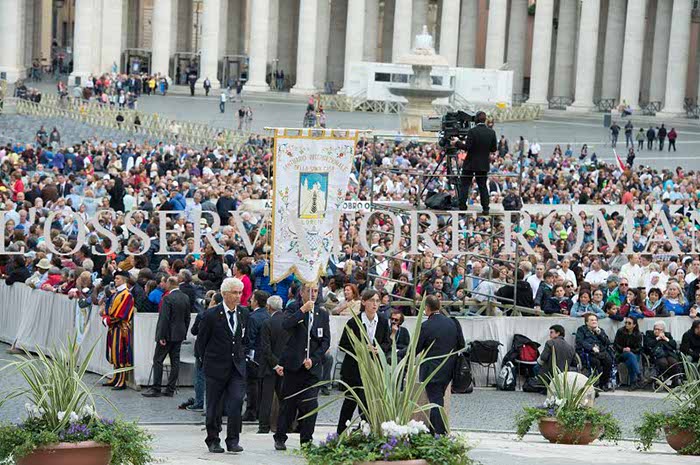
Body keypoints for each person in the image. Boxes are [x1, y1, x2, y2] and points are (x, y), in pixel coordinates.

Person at [195, 278, 251, 454]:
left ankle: (233, 440)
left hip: (237, 367)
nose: (238, 296)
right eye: (234, 293)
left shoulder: (244, 313)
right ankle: (213, 439)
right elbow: (201, 342)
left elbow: (246, 338)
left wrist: (242, 355)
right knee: (214, 406)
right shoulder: (211, 315)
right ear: (225, 294)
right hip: (215, 367)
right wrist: (204, 362)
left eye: (240, 293)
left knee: (236, 402)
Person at [273, 282, 330, 451]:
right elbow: (286, 325)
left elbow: (325, 340)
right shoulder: (293, 308)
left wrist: (314, 358)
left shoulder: (322, 313)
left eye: (316, 291)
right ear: (302, 293)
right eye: (309, 291)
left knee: (311, 404)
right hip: (293, 366)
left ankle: (306, 440)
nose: (313, 294)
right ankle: (280, 437)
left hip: (312, 368)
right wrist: (302, 310)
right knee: (288, 404)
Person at [336, 289, 391, 435]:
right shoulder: (354, 322)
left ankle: (367, 432)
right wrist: (362, 348)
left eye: (377, 301)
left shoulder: (383, 321)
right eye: (372, 300)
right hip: (354, 369)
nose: (375, 304)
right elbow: (343, 345)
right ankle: (340, 433)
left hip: (373, 369)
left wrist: (379, 349)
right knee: (350, 402)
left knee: (368, 402)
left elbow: (387, 343)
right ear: (364, 302)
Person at [415, 296, 464, 435]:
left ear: (427, 308)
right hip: (449, 368)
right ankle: (435, 430)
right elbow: (461, 344)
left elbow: (415, 349)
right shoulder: (453, 322)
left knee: (435, 400)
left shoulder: (426, 326)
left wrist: (399, 354)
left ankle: (439, 433)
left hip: (431, 369)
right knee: (438, 397)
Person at [143, 276, 192, 397]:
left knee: (158, 360)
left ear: (169, 284)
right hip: (179, 334)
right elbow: (187, 317)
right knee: (175, 361)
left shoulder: (168, 298)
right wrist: (184, 332)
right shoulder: (185, 297)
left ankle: (156, 388)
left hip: (168, 334)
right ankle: (170, 389)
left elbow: (164, 318)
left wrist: (161, 336)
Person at [256, 296, 289, 434]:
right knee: (284, 398)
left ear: (268, 307)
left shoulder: (267, 323)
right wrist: (282, 364)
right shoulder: (289, 322)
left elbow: (266, 348)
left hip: (269, 367)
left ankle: (264, 426)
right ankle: (285, 425)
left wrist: (275, 365)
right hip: (286, 367)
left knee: (266, 399)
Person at [454, 111, 497, 214]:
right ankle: (485, 208)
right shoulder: (491, 132)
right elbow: (493, 148)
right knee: (483, 186)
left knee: (465, 185)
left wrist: (457, 143)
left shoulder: (472, 131)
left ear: (476, 120)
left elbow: (467, 147)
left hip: (470, 163)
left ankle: (462, 206)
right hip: (483, 164)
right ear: (485, 120)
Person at [100, 270, 134, 390]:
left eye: (118, 278)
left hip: (121, 328)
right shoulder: (116, 293)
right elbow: (108, 309)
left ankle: (122, 380)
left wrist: (107, 320)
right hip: (114, 328)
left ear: (124, 280)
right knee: (114, 353)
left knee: (120, 353)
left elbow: (121, 315)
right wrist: (105, 315)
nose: (115, 280)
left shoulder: (127, 295)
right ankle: (116, 377)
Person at [242, 290, 270, 422]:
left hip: (254, 356)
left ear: (256, 301)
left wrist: (245, 352)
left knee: (252, 385)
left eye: (252, 299)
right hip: (265, 356)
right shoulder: (268, 315)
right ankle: (260, 411)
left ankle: (251, 411)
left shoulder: (253, 317)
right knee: (261, 386)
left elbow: (250, 338)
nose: (250, 301)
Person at [575, 314, 613, 390]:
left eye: (595, 320)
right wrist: (591, 347)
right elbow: (580, 341)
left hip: (601, 352)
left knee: (608, 361)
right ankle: (597, 382)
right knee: (596, 363)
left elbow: (607, 342)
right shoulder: (581, 330)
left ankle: (604, 383)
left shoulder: (600, 330)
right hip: (589, 353)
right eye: (592, 320)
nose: (594, 322)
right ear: (587, 322)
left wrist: (600, 334)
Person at [644, 321, 681, 387]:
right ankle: (664, 378)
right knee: (663, 363)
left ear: (663, 330)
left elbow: (674, 345)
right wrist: (657, 338)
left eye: (659, 329)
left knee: (674, 362)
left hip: (668, 354)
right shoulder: (649, 334)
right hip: (656, 355)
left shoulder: (667, 335)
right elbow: (648, 344)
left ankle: (674, 381)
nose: (656, 331)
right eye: (655, 329)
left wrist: (666, 339)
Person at [613, 317, 643, 390]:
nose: (627, 324)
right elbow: (615, 344)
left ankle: (633, 383)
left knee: (630, 361)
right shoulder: (620, 331)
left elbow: (639, 348)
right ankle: (639, 375)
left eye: (629, 323)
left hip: (634, 354)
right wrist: (623, 349)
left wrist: (631, 350)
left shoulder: (638, 334)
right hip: (621, 354)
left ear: (634, 325)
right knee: (630, 355)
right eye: (626, 322)